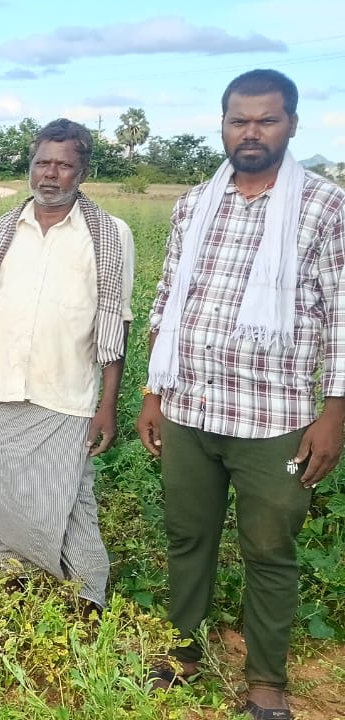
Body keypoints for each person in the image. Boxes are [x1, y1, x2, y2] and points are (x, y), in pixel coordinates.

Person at [136, 69, 345, 720]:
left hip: (275, 416)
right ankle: (182, 652)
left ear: (291, 124)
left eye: (266, 120)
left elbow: (342, 313)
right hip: (190, 406)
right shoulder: (195, 203)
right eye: (238, 120)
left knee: (269, 550)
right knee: (186, 537)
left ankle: (266, 682)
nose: (250, 132)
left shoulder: (324, 205)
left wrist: (334, 414)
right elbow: (168, 302)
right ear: (222, 123)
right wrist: (152, 393)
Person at [0, 119, 134, 614]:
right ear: (30, 166)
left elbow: (117, 321)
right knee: (2, 496)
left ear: (82, 171)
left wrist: (107, 404)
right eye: (43, 162)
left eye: (64, 165)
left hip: (66, 393)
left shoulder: (110, 235)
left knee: (71, 501)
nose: (51, 174)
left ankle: (90, 598)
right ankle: (16, 585)